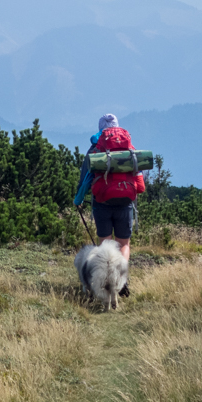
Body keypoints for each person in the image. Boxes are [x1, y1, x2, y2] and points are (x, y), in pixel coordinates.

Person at [73, 114, 145, 295]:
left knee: (104, 245)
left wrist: (78, 200)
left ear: (100, 129)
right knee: (124, 244)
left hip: (102, 203)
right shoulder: (129, 148)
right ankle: (122, 279)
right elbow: (139, 179)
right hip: (125, 203)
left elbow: (86, 178)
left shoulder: (95, 149)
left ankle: (106, 283)